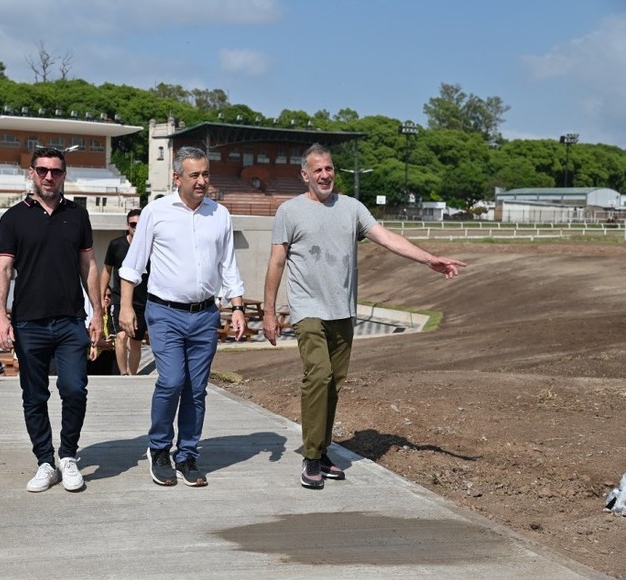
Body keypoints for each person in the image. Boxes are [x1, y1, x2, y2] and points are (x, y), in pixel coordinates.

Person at [262, 143, 467, 490]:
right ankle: (311, 458)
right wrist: (269, 311)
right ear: (305, 175)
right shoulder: (289, 212)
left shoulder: (352, 208)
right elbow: (276, 262)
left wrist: (428, 258)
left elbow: (387, 238)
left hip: (342, 309)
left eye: (329, 168)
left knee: (334, 384)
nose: (325, 175)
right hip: (308, 308)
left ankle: (322, 451)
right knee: (319, 375)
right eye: (318, 170)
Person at [119, 146, 247, 488]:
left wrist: (236, 306)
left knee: (195, 390)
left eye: (206, 174)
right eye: (195, 175)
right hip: (165, 313)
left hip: (205, 314)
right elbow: (133, 265)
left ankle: (187, 454)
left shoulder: (220, 214)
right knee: (172, 380)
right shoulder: (155, 212)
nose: (202, 181)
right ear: (177, 178)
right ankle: (159, 449)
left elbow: (228, 264)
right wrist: (126, 306)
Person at [0, 146, 102, 494]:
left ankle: (67, 455)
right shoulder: (13, 218)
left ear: (64, 174)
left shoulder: (78, 216)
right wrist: (0, 316)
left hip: (71, 320)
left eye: (56, 171)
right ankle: (45, 461)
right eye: (42, 170)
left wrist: (98, 312)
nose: (49, 177)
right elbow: (3, 269)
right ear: (31, 173)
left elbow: (89, 266)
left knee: (74, 389)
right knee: (34, 396)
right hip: (28, 323)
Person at [99, 208, 148, 375]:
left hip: (142, 301)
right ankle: (123, 374)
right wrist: (101, 295)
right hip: (120, 299)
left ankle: (132, 375)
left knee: (135, 342)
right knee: (120, 337)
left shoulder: (150, 247)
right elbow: (106, 270)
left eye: (140, 225)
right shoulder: (116, 245)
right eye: (133, 224)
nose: (136, 228)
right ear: (127, 225)